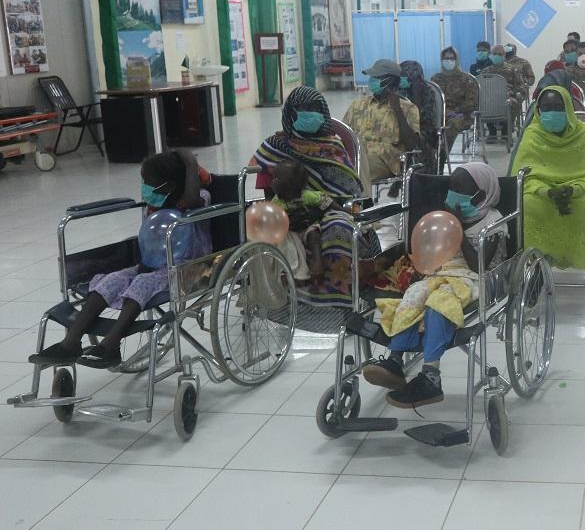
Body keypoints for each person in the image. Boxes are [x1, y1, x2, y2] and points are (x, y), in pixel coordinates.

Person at [30, 150, 212, 368]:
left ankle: (110, 345)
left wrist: (189, 162)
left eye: (150, 184)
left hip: (187, 267)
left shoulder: (196, 199)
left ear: (170, 186)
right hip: (151, 264)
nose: (145, 189)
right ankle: (70, 343)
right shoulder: (154, 206)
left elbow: (192, 198)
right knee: (111, 280)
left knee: (141, 283)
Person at [366, 163, 506, 407]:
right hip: (442, 272)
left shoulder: (493, 221)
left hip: (474, 279)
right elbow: (431, 250)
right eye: (451, 187)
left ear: (481, 195)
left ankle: (431, 376)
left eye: (460, 189)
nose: (452, 193)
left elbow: (479, 266)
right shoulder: (444, 216)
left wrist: (457, 227)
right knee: (414, 294)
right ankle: (395, 360)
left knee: (438, 303)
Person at [253, 87, 372, 307]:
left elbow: (346, 195)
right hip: (284, 211)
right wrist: (287, 217)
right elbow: (269, 196)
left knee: (339, 228)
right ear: (291, 113)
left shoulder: (333, 146)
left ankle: (338, 300)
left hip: (328, 208)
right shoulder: (274, 148)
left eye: (316, 108)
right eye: (304, 108)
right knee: (259, 233)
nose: (311, 113)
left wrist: (315, 213)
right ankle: (277, 295)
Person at [511, 85, 585, 308]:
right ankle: (538, 267)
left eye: (558, 107)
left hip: (580, 189)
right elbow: (523, 176)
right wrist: (547, 192)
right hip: (542, 190)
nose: (552, 112)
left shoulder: (584, 133)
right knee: (529, 203)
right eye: (547, 107)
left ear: (568, 108)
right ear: (539, 110)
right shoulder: (532, 134)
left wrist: (573, 190)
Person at [342, 59, 423, 185]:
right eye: (372, 77)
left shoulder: (408, 109)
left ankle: (358, 196)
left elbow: (412, 145)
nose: (372, 80)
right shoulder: (358, 105)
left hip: (386, 161)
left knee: (358, 170)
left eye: (376, 77)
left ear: (390, 81)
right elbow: (344, 134)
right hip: (356, 155)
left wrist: (398, 111)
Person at [271, 160, 331, 282]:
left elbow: (326, 200)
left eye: (276, 178)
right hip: (290, 231)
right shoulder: (276, 201)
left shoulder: (306, 196)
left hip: (307, 226)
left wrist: (345, 211)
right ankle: (294, 272)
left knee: (313, 235)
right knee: (286, 243)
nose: (272, 181)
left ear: (289, 184)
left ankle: (318, 261)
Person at [431, 46, 479, 150]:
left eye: (451, 58)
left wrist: (456, 110)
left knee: (451, 125)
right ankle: (431, 153)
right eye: (446, 58)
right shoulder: (435, 79)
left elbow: (472, 103)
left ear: (456, 60)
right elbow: (430, 99)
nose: (449, 61)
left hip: (461, 115)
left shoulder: (466, 79)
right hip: (440, 114)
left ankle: (443, 154)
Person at [397, 60, 440, 173]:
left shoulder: (427, 92)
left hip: (423, 129)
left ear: (414, 78)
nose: (401, 79)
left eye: (404, 76)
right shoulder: (399, 90)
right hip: (401, 127)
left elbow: (423, 118)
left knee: (414, 141)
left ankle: (420, 174)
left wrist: (417, 95)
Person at [483, 43, 524, 138]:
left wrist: (514, 93)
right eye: (494, 54)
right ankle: (492, 131)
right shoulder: (486, 71)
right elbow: (480, 87)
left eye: (500, 54)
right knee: (484, 104)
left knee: (513, 103)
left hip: (507, 97)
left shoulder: (512, 70)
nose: (497, 56)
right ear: (491, 55)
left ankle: (506, 130)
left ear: (504, 56)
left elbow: (520, 86)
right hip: (490, 99)